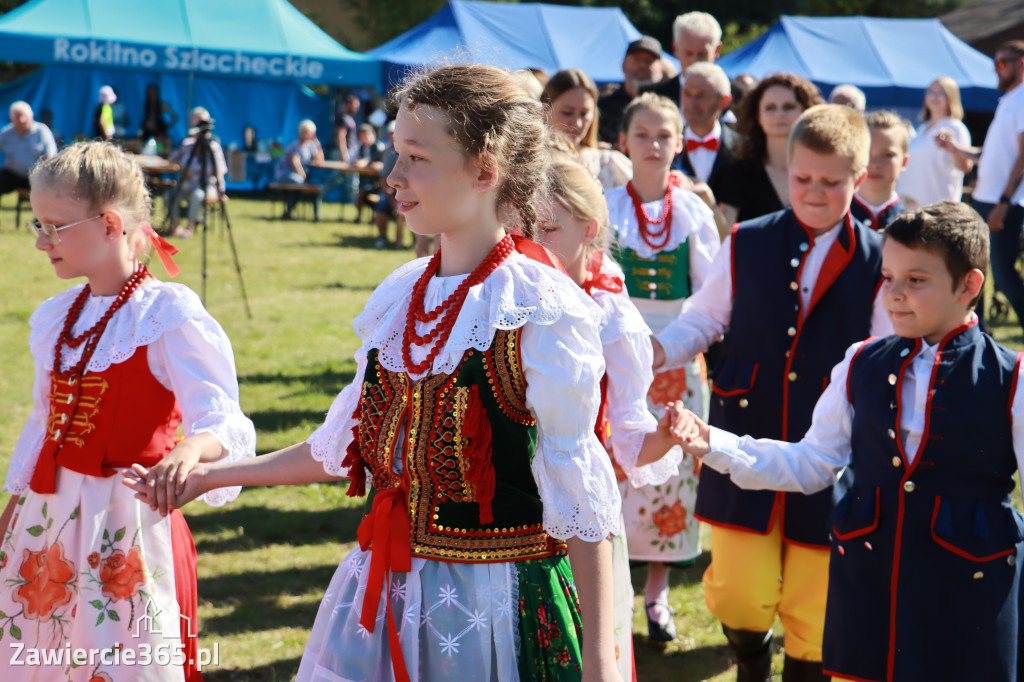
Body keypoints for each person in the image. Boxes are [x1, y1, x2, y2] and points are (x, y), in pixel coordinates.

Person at [125, 63, 640, 682]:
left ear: (485, 168)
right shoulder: (402, 296)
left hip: (494, 605)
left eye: (417, 157)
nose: (393, 176)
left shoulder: (541, 308)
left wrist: (603, 660)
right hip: (388, 589)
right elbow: (346, 445)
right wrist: (212, 475)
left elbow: (582, 499)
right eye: (395, 153)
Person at [674, 201, 1024, 682]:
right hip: (868, 584)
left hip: (968, 591)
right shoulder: (862, 362)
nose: (894, 295)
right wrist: (712, 441)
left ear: (969, 285)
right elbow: (813, 462)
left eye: (916, 280)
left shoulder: (1013, 378)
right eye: (888, 277)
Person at [652, 104, 892, 681]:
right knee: (738, 589)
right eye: (802, 178)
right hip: (744, 433)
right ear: (787, 169)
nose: (813, 192)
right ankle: (752, 659)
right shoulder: (746, 240)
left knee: (815, 602)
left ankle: (802, 670)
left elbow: (886, 354)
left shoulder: (883, 259)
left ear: (858, 179)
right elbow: (703, 319)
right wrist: (657, 350)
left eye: (831, 183)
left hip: (834, 456)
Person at [0, 140, 255, 682]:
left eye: (55, 226)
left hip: (126, 522)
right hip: (48, 518)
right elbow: (43, 423)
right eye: (36, 224)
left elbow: (222, 419)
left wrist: (189, 449)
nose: (43, 242)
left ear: (111, 223)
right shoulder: (57, 316)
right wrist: (11, 515)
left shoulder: (165, 313)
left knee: (120, 661)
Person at [537, 154, 686, 681]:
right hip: (503, 510)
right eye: (523, 230)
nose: (534, 244)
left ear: (590, 230)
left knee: (581, 650)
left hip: (581, 516)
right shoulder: (508, 295)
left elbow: (625, 435)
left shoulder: (609, 309)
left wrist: (664, 436)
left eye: (549, 229)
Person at [606, 92, 721, 643]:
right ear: (624, 141)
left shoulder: (695, 212)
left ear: (680, 143)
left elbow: (712, 296)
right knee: (613, 470)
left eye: (664, 136)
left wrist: (673, 341)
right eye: (643, 134)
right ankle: (609, 592)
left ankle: (656, 594)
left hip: (675, 353)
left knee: (672, 474)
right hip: (614, 352)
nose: (653, 145)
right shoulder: (606, 205)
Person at [937, 41, 1024, 332]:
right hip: (988, 199)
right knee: (978, 269)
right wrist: (956, 149)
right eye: (995, 63)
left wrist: (1004, 201)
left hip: (1004, 202)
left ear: (1021, 63)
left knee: (1002, 274)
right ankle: (978, 330)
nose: (996, 69)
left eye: (1002, 63)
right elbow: (990, 155)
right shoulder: (1008, 101)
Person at [719, 74, 824, 224]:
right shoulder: (737, 172)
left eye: (788, 107)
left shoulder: (824, 170)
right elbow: (726, 235)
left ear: (805, 111)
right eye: (770, 108)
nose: (779, 114)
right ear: (757, 115)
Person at [542, 69, 633, 190]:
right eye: (567, 112)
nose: (577, 123)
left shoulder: (610, 165)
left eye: (584, 114)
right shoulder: (526, 165)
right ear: (545, 109)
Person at [679, 62, 738, 239]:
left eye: (701, 96)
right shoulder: (666, 145)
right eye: (687, 94)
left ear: (724, 101)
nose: (692, 103)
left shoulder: (743, 149)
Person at [898, 77, 972, 209]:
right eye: (931, 92)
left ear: (951, 97)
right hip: (908, 205)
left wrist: (954, 148)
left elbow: (966, 167)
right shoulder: (921, 129)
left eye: (941, 93)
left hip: (937, 208)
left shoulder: (956, 127)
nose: (935, 97)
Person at [168, 106, 228, 239]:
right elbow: (172, 159)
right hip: (187, 184)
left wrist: (221, 191)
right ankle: (176, 226)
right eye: (195, 122)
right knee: (171, 193)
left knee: (197, 195)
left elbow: (220, 171)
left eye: (200, 122)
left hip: (205, 186)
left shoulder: (213, 147)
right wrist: (181, 168)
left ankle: (189, 228)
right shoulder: (187, 144)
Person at [597, 36, 665, 146]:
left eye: (649, 61)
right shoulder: (603, 104)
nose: (642, 65)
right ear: (623, 65)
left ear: (661, 70)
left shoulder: (670, 105)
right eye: (636, 59)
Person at [647, 11, 723, 108]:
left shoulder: (736, 98)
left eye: (702, 54)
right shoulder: (653, 96)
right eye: (689, 53)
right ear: (676, 49)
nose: (695, 61)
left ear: (717, 50)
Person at [850, 111, 908, 231]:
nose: (875, 164)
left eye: (888, 155)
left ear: (904, 162)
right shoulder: (831, 222)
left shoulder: (911, 228)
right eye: (867, 153)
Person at [0, 101, 57, 198]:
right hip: (12, 174)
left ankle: (43, 212)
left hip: (35, 176)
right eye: (18, 117)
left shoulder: (42, 131)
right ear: (12, 119)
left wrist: (41, 171)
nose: (22, 120)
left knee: (48, 187)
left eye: (24, 116)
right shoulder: (6, 133)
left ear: (31, 116)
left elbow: (51, 155)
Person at [274, 119, 325, 221]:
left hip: (297, 175)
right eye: (305, 132)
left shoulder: (310, 145)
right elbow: (295, 163)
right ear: (300, 133)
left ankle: (314, 214)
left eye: (310, 133)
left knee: (312, 186)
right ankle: (289, 211)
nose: (308, 135)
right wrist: (303, 176)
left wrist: (317, 144)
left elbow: (319, 159)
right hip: (285, 174)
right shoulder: (295, 146)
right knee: (303, 183)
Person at [352, 123, 386, 227]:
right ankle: (359, 216)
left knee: (366, 192)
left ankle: (373, 217)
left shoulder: (378, 147)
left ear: (373, 135)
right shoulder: (361, 148)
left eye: (366, 136)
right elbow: (353, 159)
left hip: (377, 181)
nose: (365, 139)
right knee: (360, 192)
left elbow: (376, 160)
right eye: (362, 137)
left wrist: (366, 162)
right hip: (365, 180)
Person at [140, 83, 179, 149]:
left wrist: (166, 127)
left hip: (158, 133)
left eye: (154, 93)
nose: (152, 95)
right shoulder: (147, 106)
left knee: (162, 145)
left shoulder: (161, 105)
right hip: (147, 134)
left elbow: (175, 117)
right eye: (150, 93)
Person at [333, 91, 360, 162]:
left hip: (350, 151)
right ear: (348, 104)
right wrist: (344, 153)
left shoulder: (348, 117)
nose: (357, 108)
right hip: (345, 152)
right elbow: (340, 136)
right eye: (355, 105)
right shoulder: (342, 117)